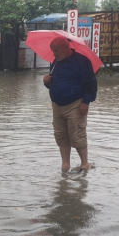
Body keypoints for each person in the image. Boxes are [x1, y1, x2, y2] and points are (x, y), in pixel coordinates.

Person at [43, 37, 97, 171]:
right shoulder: (55, 61)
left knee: (77, 134)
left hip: (75, 104)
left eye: (55, 50)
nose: (53, 53)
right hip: (57, 105)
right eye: (52, 50)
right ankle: (65, 165)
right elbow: (54, 84)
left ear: (65, 49)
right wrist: (46, 81)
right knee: (61, 135)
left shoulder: (82, 61)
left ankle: (84, 164)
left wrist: (86, 102)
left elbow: (91, 83)